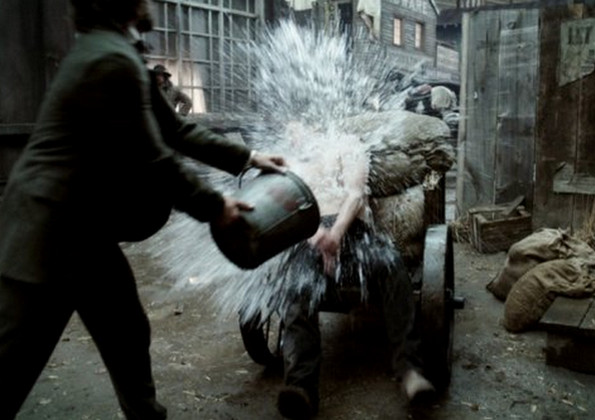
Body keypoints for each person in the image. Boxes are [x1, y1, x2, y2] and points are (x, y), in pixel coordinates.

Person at [0, 1, 286, 419]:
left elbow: (175, 128)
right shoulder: (109, 59)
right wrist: (215, 206)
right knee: (12, 364)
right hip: (48, 233)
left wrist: (249, 156)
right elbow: (152, 157)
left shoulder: (116, 51)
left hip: (84, 232)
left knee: (127, 332)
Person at [274, 123, 434, 420]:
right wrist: (315, 236)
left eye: (294, 127)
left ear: (313, 123)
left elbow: (356, 195)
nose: (290, 135)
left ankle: (410, 370)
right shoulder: (290, 162)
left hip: (352, 230)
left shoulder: (346, 145)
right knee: (297, 285)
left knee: (391, 265)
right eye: (288, 130)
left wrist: (335, 234)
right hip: (310, 235)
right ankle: (301, 387)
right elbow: (287, 207)